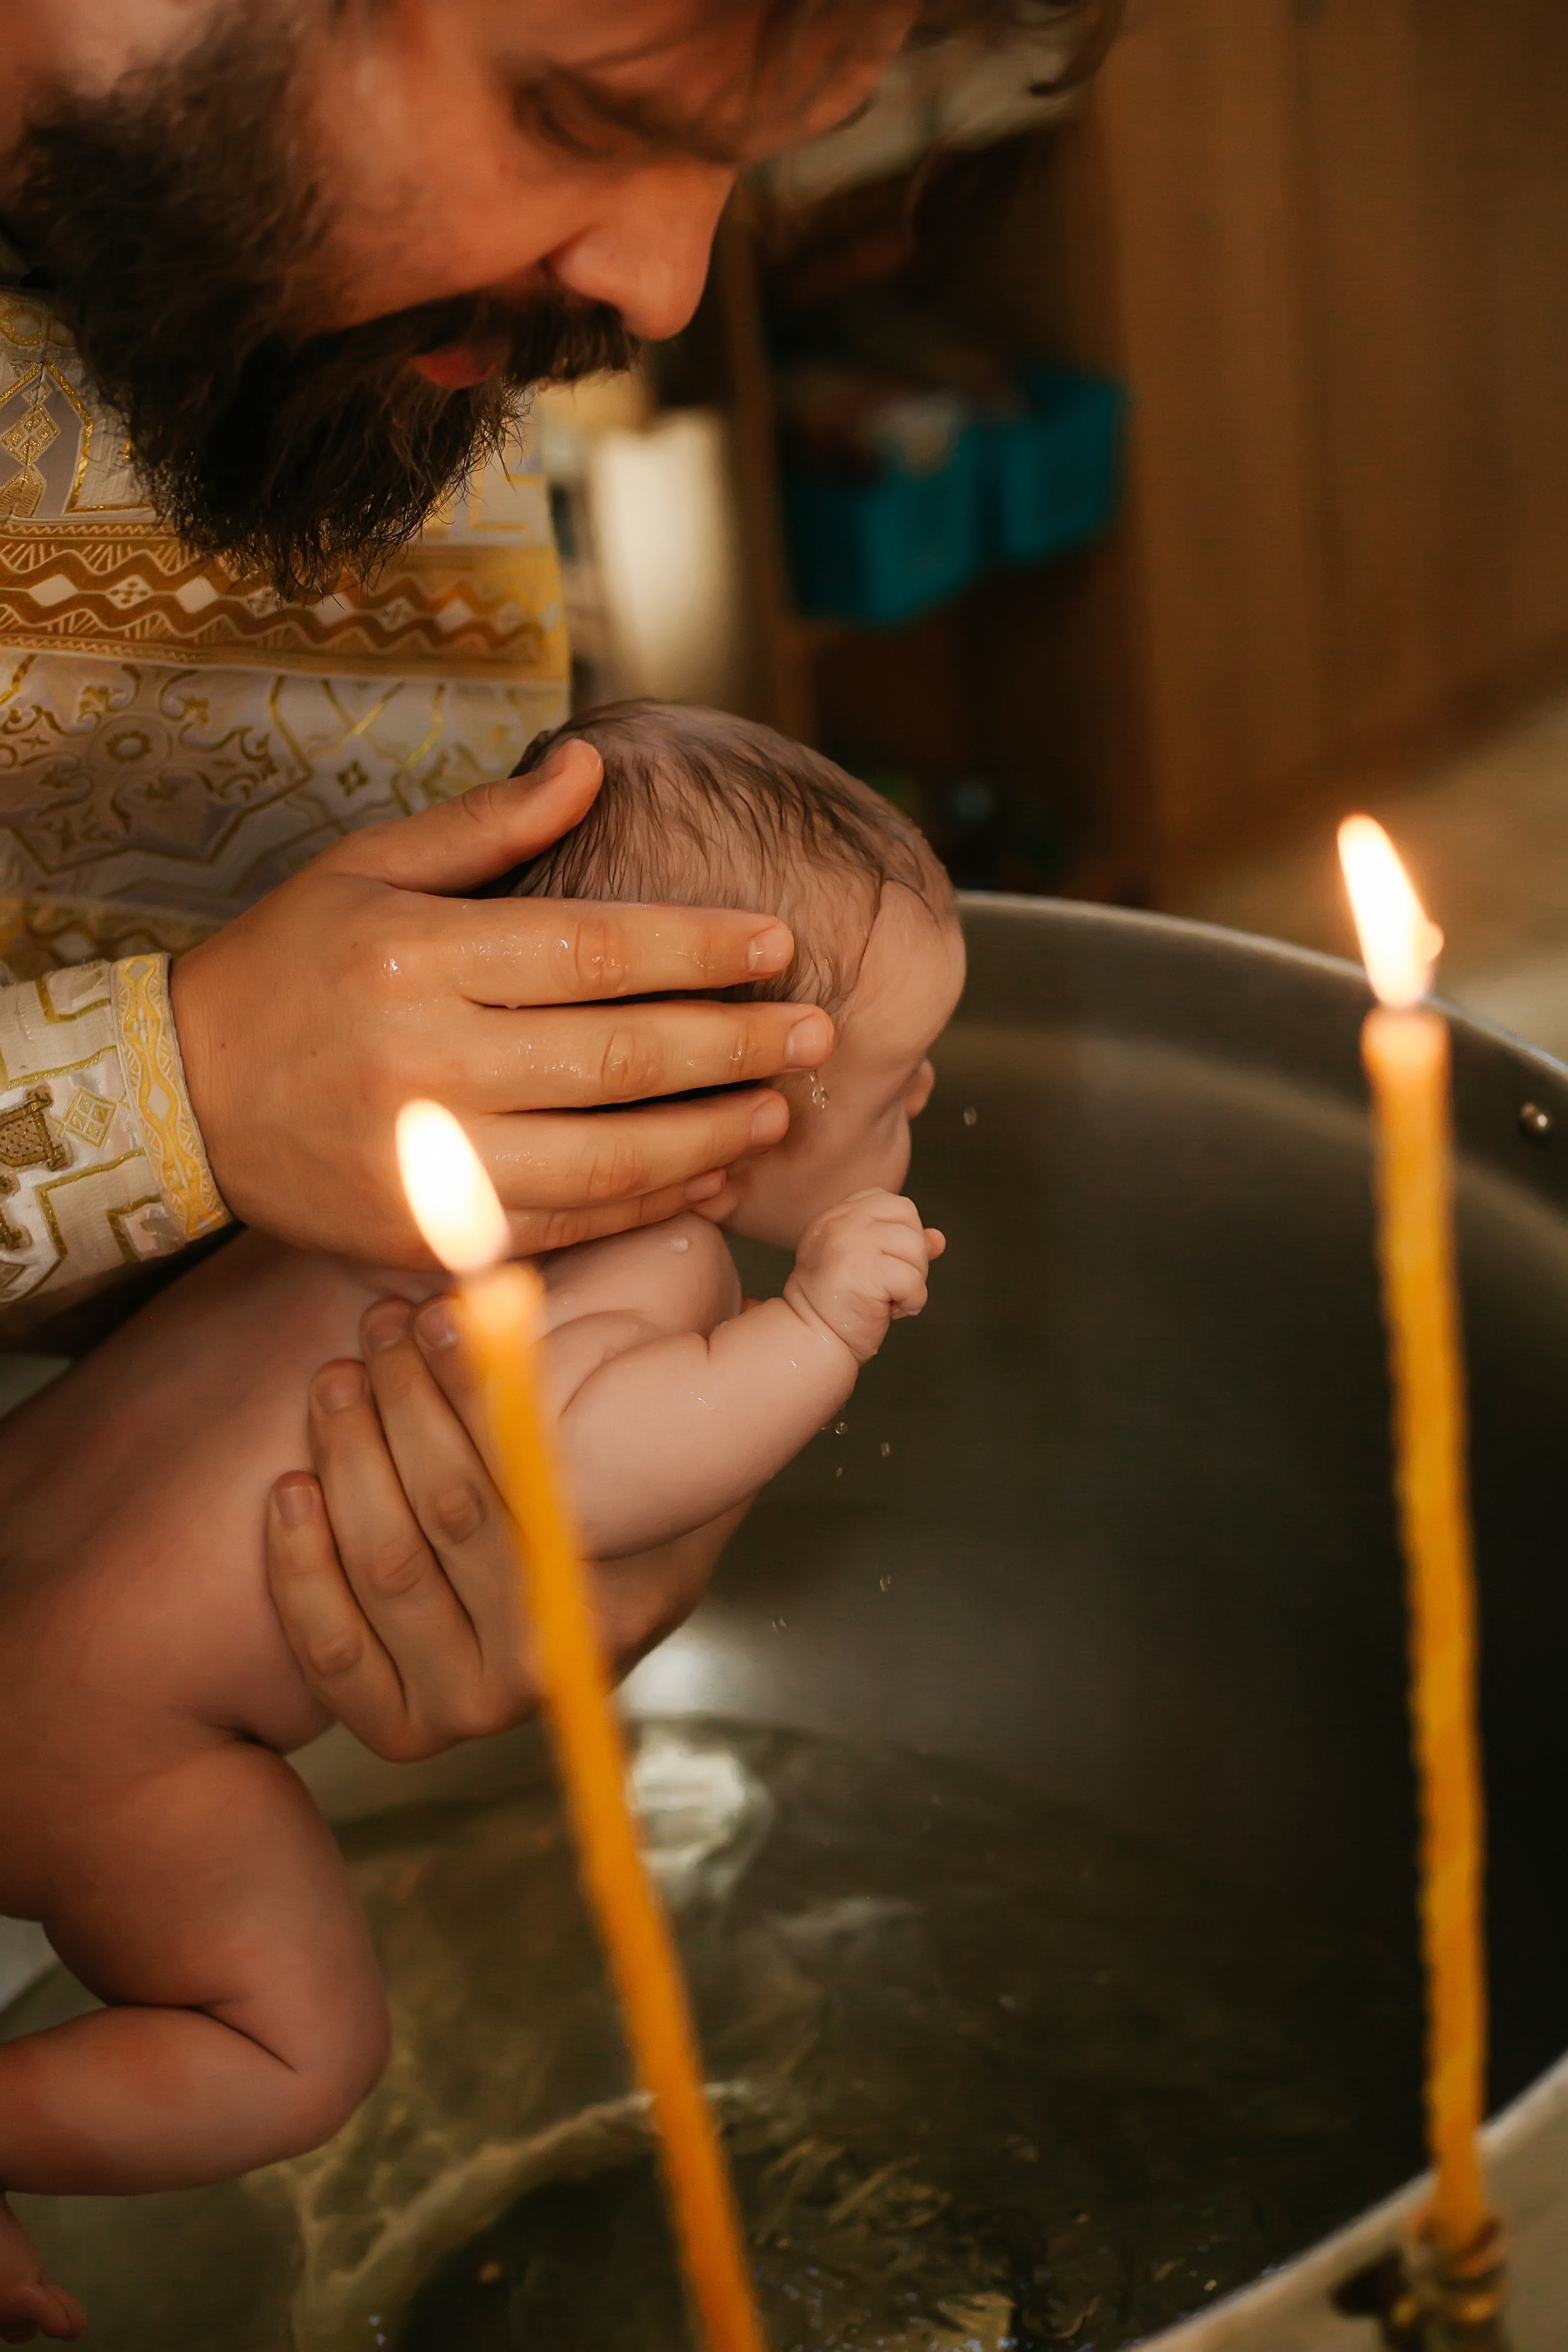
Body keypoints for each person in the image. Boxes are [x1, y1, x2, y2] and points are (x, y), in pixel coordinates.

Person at [0, 703, 965, 2342]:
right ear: (715, 1109)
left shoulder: (370, 1157)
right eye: (885, 1088)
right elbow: (581, 1467)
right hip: (93, 1744)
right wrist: (812, 1333)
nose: (928, 1090)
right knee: (299, 2053)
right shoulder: (647, 1261)